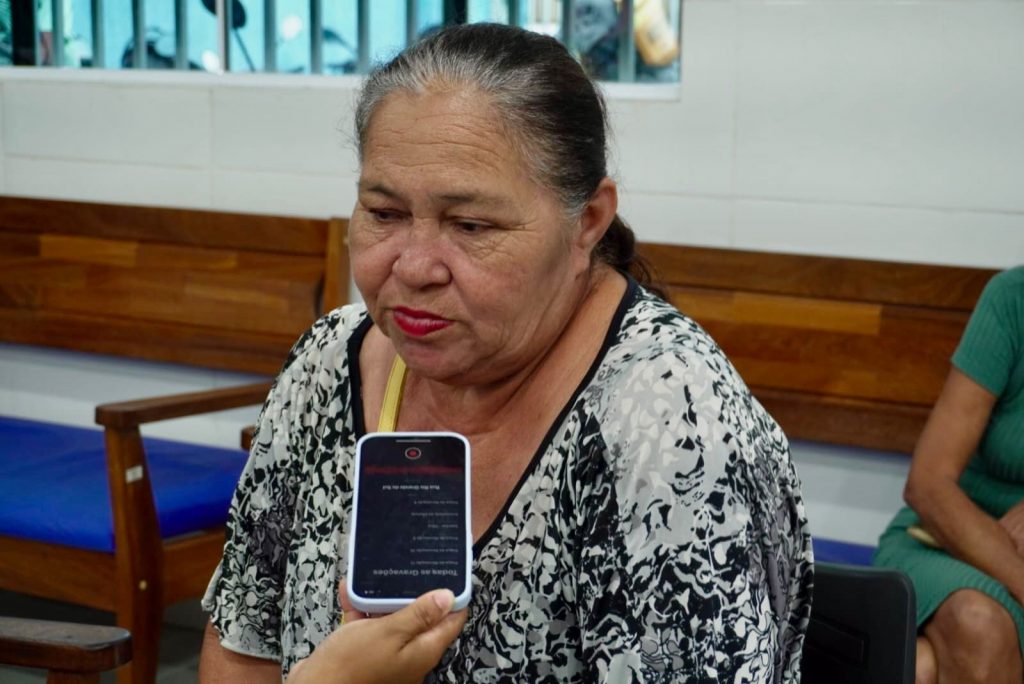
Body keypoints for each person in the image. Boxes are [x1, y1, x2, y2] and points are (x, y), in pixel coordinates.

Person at [199, 23, 812, 682]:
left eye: (470, 226)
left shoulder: (665, 420)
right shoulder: (331, 360)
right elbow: (242, 644)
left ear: (588, 222)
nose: (414, 267)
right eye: (383, 212)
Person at [874, 266, 1024, 684]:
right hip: (947, 535)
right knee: (978, 625)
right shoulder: (1012, 298)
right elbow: (928, 483)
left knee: (922, 670)